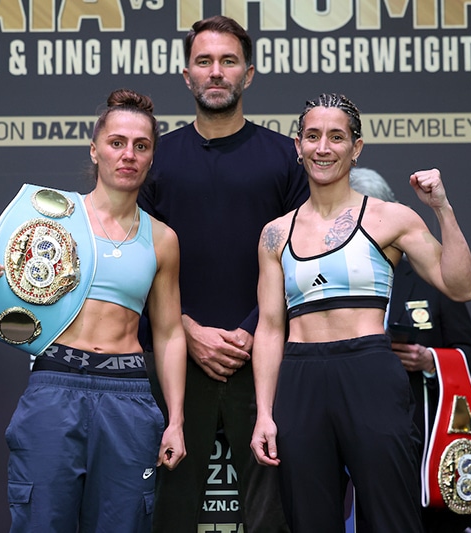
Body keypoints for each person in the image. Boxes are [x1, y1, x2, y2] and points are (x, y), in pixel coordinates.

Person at [250, 93, 471, 533]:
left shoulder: (391, 218)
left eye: (336, 137)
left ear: (356, 148)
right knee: (310, 521)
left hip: (369, 371)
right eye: (312, 136)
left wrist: (442, 209)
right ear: (297, 146)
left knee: (392, 517)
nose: (323, 147)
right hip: (300, 380)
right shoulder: (275, 234)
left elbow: (461, 286)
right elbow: (271, 328)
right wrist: (263, 412)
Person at [0, 89, 187, 532]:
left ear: (151, 157)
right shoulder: (51, 219)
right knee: (40, 523)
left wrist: (176, 420)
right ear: (95, 149)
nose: (128, 155)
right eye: (117, 142)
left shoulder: (162, 238)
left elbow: (168, 333)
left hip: (128, 395)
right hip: (55, 384)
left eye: (141, 146)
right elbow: (6, 275)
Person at [137, 15, 307, 533]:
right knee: (166, 507)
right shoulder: (154, 160)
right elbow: (131, 260)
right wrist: (186, 331)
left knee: (273, 510)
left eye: (228, 61)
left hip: (265, 357)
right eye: (204, 62)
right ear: (186, 75)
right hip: (173, 356)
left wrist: (252, 331)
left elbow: (302, 258)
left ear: (248, 74)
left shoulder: (286, 157)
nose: (216, 72)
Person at [350, 167, 471, 533]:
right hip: (355, 432)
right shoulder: (334, 287)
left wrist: (430, 361)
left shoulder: (430, 278)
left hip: (427, 442)